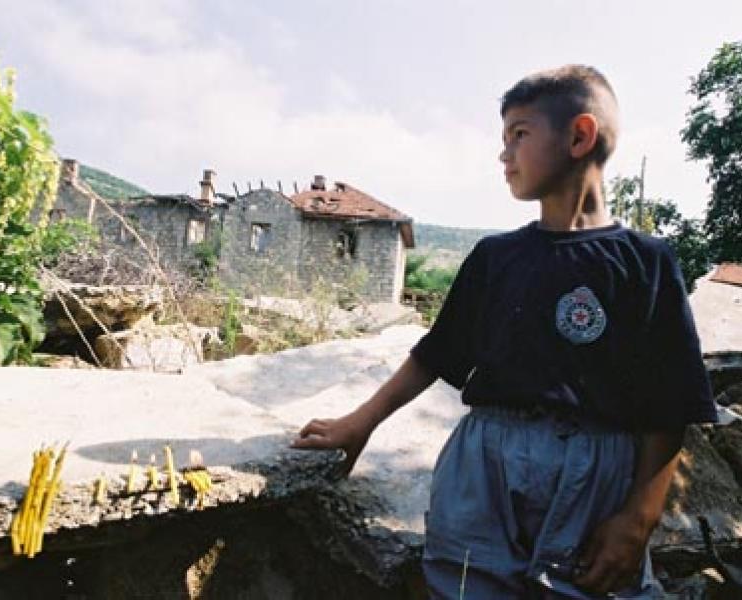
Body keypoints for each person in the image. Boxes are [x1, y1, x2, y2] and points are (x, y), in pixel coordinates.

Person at [291, 65, 717, 599]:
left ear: (579, 136)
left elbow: (671, 403)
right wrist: (360, 424)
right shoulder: (496, 257)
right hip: (483, 471)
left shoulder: (644, 263)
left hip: (593, 478)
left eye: (520, 134)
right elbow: (434, 356)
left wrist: (639, 518)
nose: (503, 154)